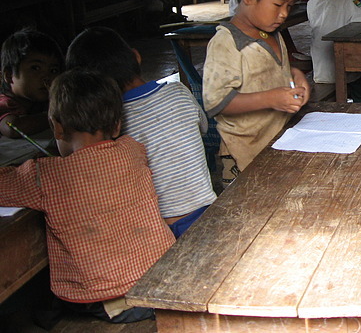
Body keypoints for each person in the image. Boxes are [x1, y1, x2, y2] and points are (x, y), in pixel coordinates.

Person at [0, 69, 174, 323]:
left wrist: (30, 166)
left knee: (35, 299)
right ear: (116, 125)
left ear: (57, 129)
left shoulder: (45, 175)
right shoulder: (132, 150)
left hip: (107, 298)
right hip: (161, 275)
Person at [65, 27, 216, 237]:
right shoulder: (179, 92)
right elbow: (203, 128)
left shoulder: (114, 125)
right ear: (136, 57)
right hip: (210, 210)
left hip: (162, 228)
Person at [203, 0, 311, 186]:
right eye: (278, 4)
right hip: (243, 155)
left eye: (290, 6)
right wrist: (271, 99)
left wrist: (296, 76)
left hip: (278, 143)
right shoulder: (226, 43)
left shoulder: (270, 33)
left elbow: (275, 70)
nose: (284, 14)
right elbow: (216, 102)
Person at [0, 28, 62, 138]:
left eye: (53, 70)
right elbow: (13, 128)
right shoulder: (5, 104)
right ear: (9, 75)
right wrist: (57, 115)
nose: (46, 77)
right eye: (35, 68)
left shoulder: (42, 101)